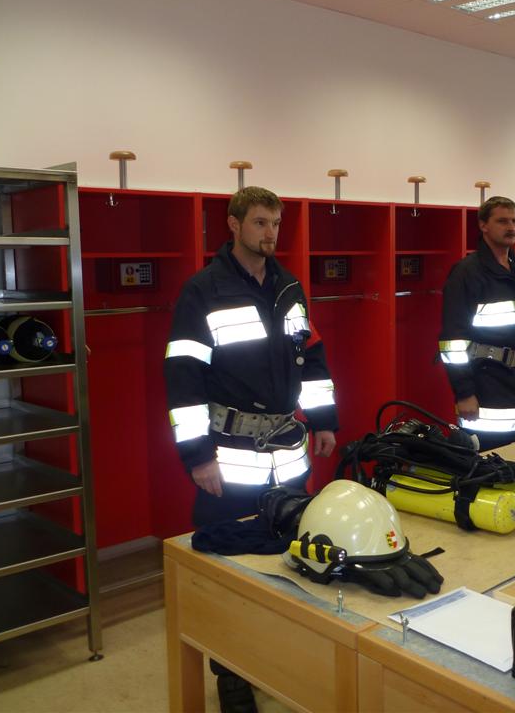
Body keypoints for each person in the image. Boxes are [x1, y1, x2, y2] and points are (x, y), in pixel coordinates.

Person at [164, 186, 338, 713]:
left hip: (289, 456)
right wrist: (198, 456)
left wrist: (325, 420)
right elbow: (183, 380)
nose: (270, 233)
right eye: (260, 222)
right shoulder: (203, 291)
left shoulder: (289, 286)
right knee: (230, 572)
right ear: (234, 224)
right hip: (230, 459)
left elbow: (312, 358)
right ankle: (231, 675)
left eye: (276, 224)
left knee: (290, 559)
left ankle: (278, 656)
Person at [439, 196, 515, 451]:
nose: (511, 227)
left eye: (514, 221)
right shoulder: (466, 273)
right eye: (502, 221)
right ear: (483, 225)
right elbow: (453, 340)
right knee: (492, 461)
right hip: (488, 382)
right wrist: (464, 393)